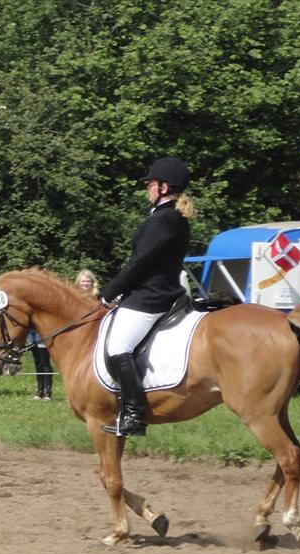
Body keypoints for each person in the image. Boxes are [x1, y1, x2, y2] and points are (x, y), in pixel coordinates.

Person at [97, 157, 194, 436]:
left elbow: (139, 263)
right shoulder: (173, 217)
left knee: (118, 347)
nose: (147, 189)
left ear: (163, 187)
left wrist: (109, 292)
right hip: (163, 292)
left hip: (150, 297)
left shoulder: (162, 220)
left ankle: (134, 414)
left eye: (151, 184)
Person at [27, 330, 53, 400]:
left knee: (45, 363)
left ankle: (47, 393)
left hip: (40, 333)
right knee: (38, 364)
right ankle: (40, 392)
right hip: (31, 334)